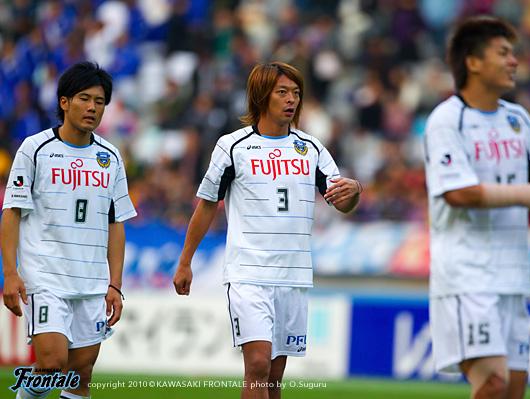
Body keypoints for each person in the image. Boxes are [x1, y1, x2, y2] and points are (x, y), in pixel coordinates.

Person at [424, 16, 530, 399]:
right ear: (472, 62)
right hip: (467, 276)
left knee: (513, 391)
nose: (514, 61)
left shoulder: (517, 119)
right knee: (494, 385)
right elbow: (458, 193)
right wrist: (526, 195)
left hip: (513, 277)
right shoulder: (446, 120)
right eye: (503, 53)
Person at [173, 61, 360, 399]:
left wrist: (355, 190)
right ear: (262, 97)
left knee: (273, 379)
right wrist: (186, 261)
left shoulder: (312, 149)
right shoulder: (233, 147)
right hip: (249, 274)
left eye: (296, 94)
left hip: (294, 275)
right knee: (257, 366)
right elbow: (206, 204)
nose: (291, 100)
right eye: (283, 92)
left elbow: (341, 202)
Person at [1, 61, 136, 399]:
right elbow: (12, 210)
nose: (92, 107)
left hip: (90, 282)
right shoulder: (35, 150)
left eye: (100, 101)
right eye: (84, 98)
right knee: (51, 363)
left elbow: (115, 223)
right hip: (45, 277)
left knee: (81, 373)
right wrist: (10, 272)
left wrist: (115, 284)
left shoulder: (111, 157)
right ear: (64, 102)